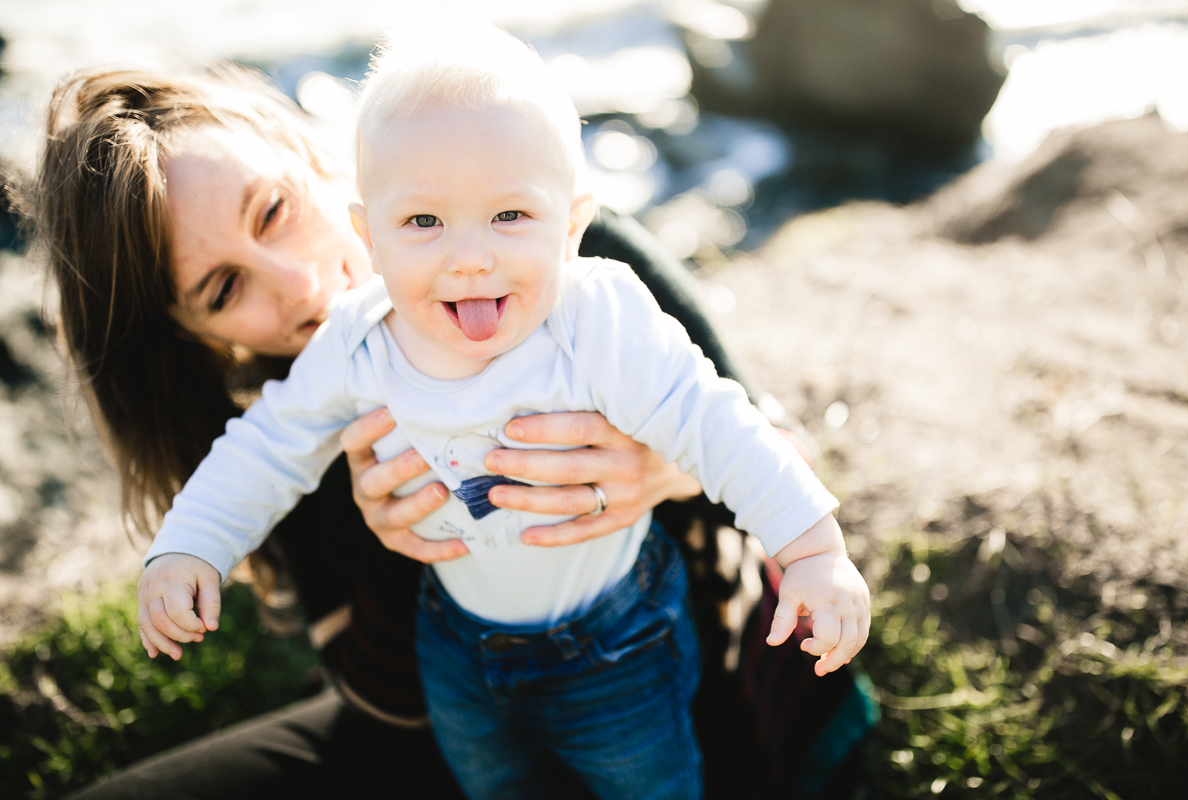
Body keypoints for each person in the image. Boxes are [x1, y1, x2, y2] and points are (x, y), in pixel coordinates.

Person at [135, 22, 870, 800]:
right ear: (371, 235)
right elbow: (266, 446)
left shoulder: (597, 316)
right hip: (458, 642)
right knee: (499, 786)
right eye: (423, 222)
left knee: (646, 783)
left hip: (616, 640)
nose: (469, 255)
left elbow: (719, 423)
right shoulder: (359, 341)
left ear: (574, 226)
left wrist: (812, 551)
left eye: (510, 217)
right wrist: (188, 547)